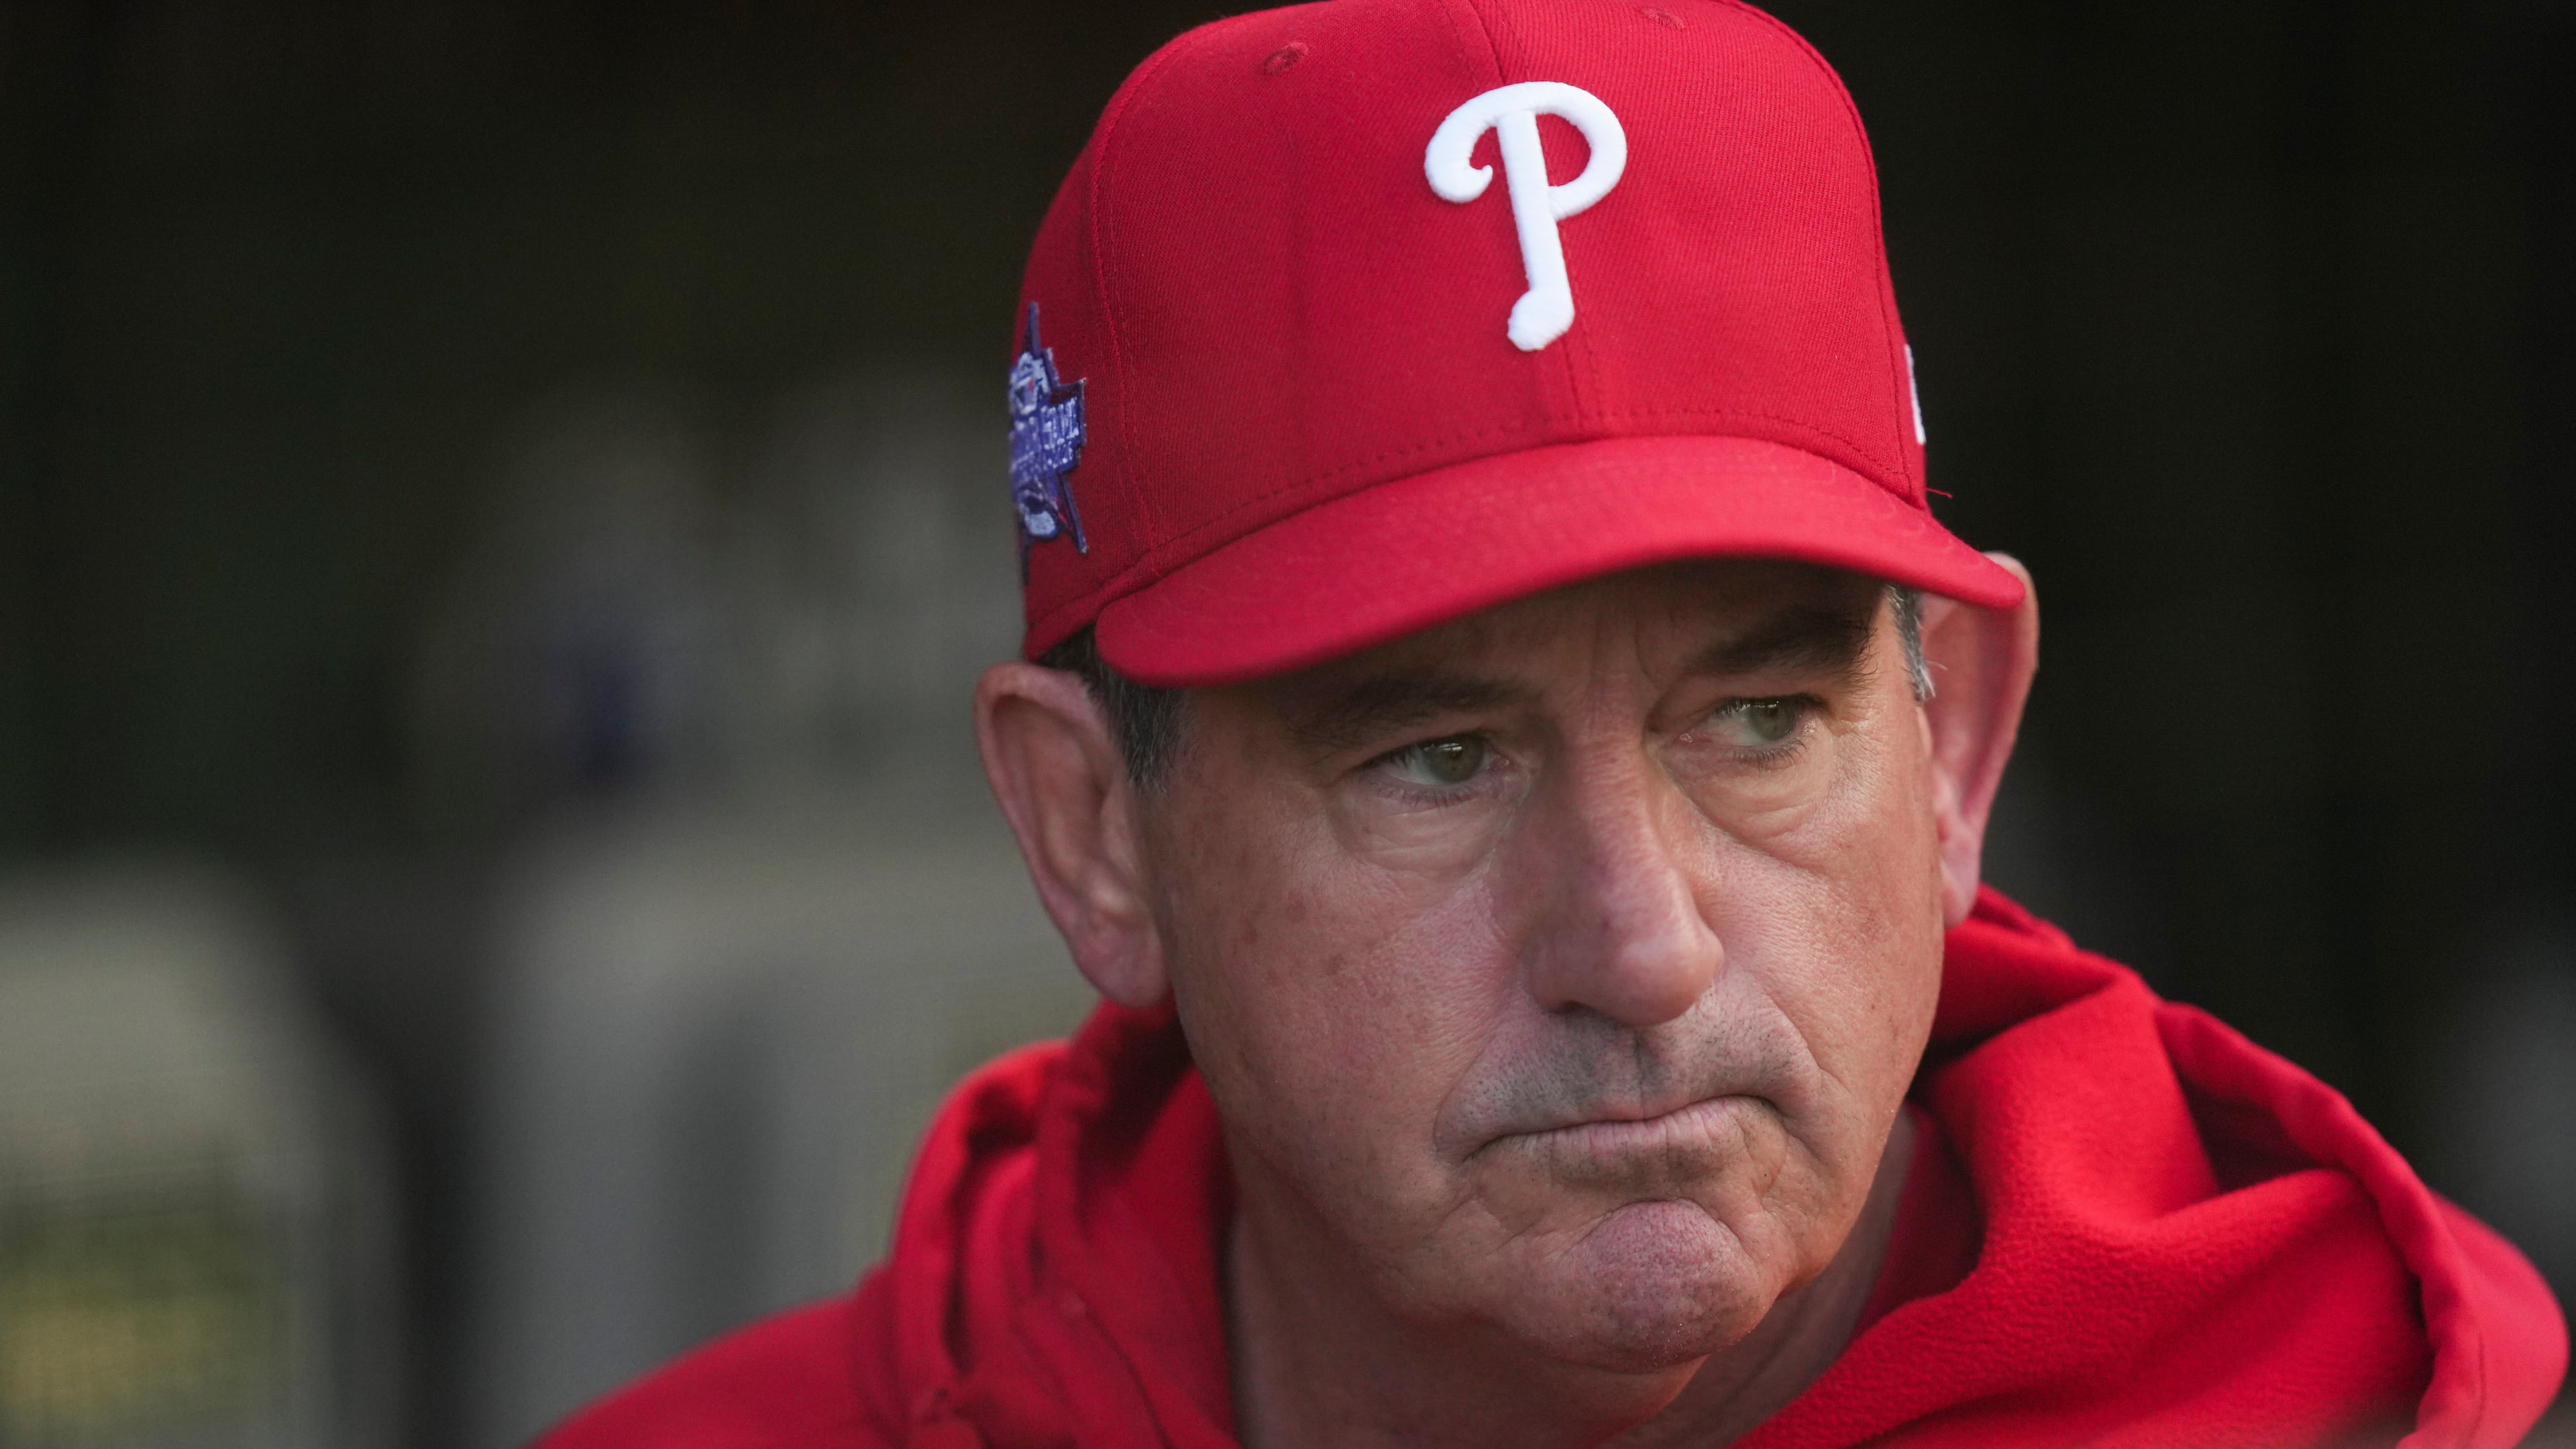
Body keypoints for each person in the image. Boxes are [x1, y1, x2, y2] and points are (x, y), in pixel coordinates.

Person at [541, 1, 2568, 1444]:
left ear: (1955, 758)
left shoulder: (2368, 1413)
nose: (1644, 943)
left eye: (1761, 721)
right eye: (1439, 758)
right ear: (1093, 837)